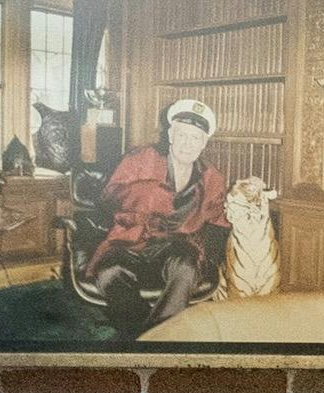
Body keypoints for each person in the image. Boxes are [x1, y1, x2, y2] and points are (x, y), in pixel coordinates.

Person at [77, 94, 233, 340]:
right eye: (182, 135)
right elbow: (108, 197)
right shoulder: (140, 158)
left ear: (204, 143)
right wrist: (147, 192)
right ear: (170, 135)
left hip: (176, 246)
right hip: (129, 242)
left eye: (195, 138)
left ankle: (160, 338)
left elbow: (219, 220)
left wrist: (211, 258)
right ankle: (145, 335)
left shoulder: (211, 177)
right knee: (109, 274)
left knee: (187, 267)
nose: (187, 144)